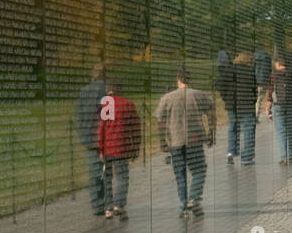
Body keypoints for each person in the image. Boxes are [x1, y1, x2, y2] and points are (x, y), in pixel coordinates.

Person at [155, 66, 216, 218]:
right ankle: (194, 198)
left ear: (178, 80)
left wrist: (162, 140)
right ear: (190, 79)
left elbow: (160, 121)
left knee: (180, 174)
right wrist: (211, 133)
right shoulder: (198, 95)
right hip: (194, 139)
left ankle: (184, 207)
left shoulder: (166, 98)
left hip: (176, 141)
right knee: (199, 170)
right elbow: (211, 114)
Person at [97, 78, 142, 219]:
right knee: (122, 178)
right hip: (122, 148)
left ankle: (108, 209)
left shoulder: (107, 105)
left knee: (108, 178)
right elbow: (135, 129)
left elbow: (101, 129)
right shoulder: (128, 104)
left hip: (108, 148)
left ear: (109, 90)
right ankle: (119, 205)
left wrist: (100, 149)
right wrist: (135, 147)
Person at [75, 65, 108, 216]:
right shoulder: (106, 92)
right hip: (105, 137)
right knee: (106, 171)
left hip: (89, 138)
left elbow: (79, 117)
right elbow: (108, 117)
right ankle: (106, 202)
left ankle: (97, 203)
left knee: (93, 172)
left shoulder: (83, 92)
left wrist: (83, 136)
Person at [268, 48, 292, 165]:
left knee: (281, 131)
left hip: (278, 105)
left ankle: (284, 158)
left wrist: (268, 106)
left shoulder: (273, 75)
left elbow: (270, 92)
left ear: (278, 64)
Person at [226, 51, 258, 165]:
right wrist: (253, 100)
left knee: (233, 127)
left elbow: (223, 86)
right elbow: (254, 88)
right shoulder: (250, 71)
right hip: (246, 104)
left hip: (232, 104)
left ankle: (230, 152)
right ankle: (247, 157)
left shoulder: (229, 70)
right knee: (248, 129)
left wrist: (227, 100)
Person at [253, 46, 273, 118]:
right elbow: (270, 70)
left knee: (257, 99)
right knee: (263, 98)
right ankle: (268, 111)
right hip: (265, 80)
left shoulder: (254, 57)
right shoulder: (267, 57)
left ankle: (256, 115)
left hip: (256, 80)